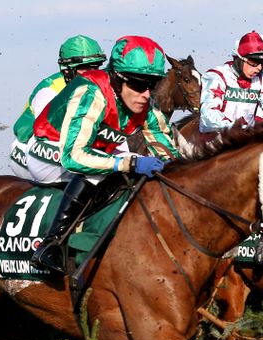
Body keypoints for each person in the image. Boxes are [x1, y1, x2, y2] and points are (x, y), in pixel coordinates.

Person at [28, 36, 180, 274]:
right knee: (105, 170)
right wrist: (129, 163)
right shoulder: (92, 92)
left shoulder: (145, 103)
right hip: (50, 148)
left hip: (96, 146)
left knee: (131, 167)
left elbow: (165, 148)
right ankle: (51, 244)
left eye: (153, 85)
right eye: (139, 85)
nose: (146, 94)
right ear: (117, 78)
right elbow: (74, 156)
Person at [8, 35, 106, 179]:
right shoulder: (50, 90)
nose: (92, 73)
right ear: (67, 70)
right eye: (84, 68)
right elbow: (52, 135)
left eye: (96, 67)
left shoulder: (96, 88)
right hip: (26, 149)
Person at [198, 31, 263, 134]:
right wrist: (238, 128)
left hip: (245, 138)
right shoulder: (216, 76)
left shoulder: (261, 81)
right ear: (239, 58)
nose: (259, 68)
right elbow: (209, 115)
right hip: (214, 138)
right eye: (254, 62)